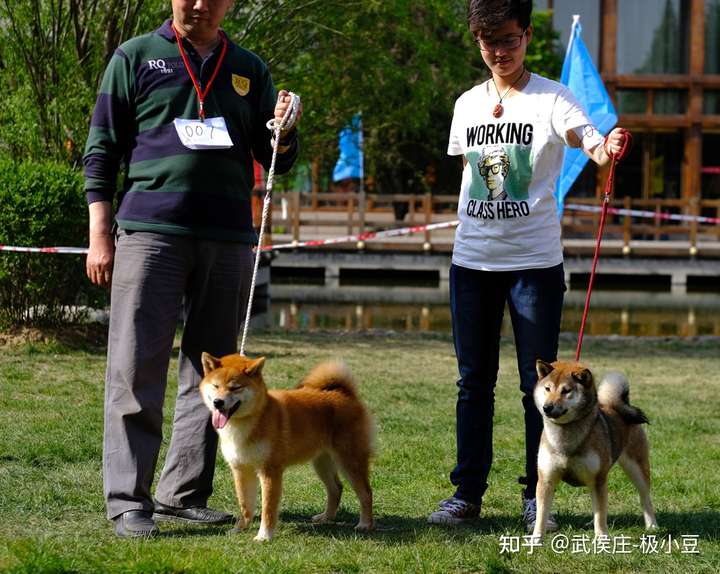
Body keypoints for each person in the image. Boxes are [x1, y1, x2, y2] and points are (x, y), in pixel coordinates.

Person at [84, 0, 301, 538]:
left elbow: (274, 154)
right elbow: (101, 149)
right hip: (149, 232)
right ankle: (128, 501)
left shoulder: (250, 67)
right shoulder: (135, 57)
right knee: (136, 367)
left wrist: (284, 131)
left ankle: (182, 493)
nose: (199, 4)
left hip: (227, 238)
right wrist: (99, 235)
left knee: (212, 377)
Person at [427, 0, 629, 531]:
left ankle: (532, 494)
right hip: (471, 262)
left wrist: (605, 147)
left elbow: (587, 139)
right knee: (473, 383)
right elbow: (468, 175)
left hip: (533, 266)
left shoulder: (553, 97)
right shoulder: (468, 103)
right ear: (478, 42)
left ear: (527, 37)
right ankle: (465, 494)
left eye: (510, 40)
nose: (500, 51)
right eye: (489, 41)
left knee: (534, 387)